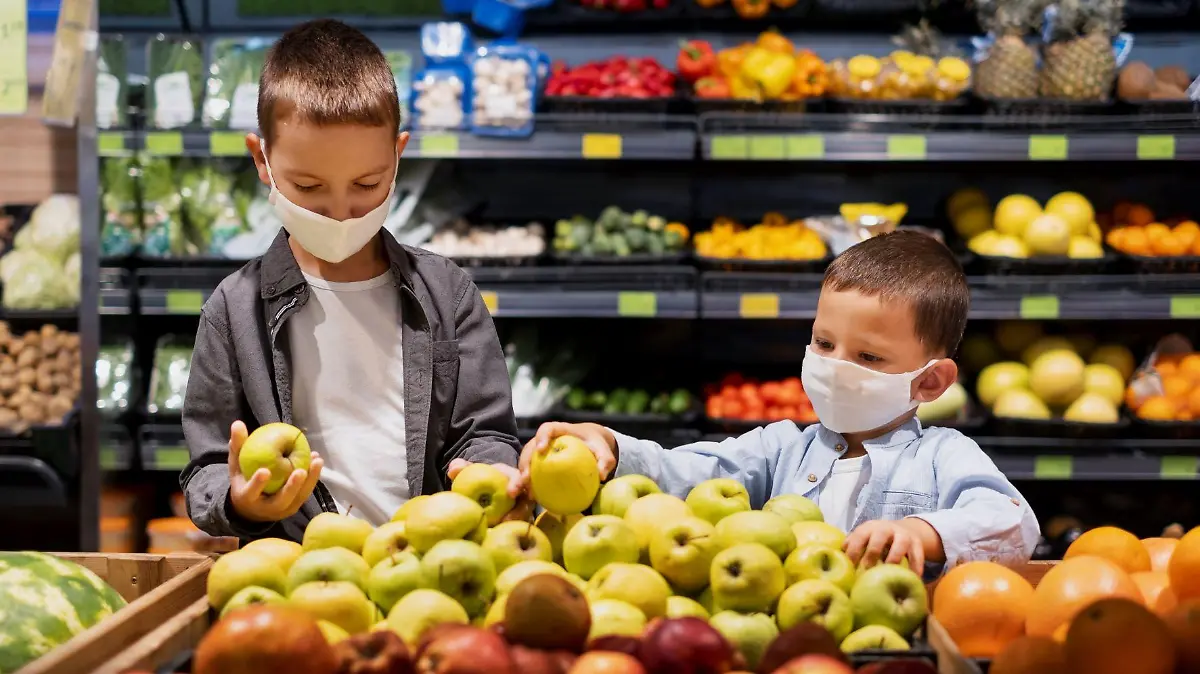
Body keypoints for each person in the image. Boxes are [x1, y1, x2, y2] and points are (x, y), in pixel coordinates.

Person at [181, 19, 522, 542]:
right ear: (262, 160)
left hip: (427, 567)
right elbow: (205, 468)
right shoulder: (234, 311)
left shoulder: (447, 293)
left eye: (367, 183)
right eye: (309, 186)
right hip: (295, 571)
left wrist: (491, 469)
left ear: (398, 156)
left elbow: (486, 432)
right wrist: (241, 500)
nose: (340, 212)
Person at [521, 231, 1039, 571]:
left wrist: (922, 532)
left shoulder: (943, 456)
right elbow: (689, 473)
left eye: (868, 357)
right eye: (824, 343)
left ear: (929, 383)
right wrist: (610, 446)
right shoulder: (780, 449)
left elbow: (1014, 521)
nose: (835, 366)